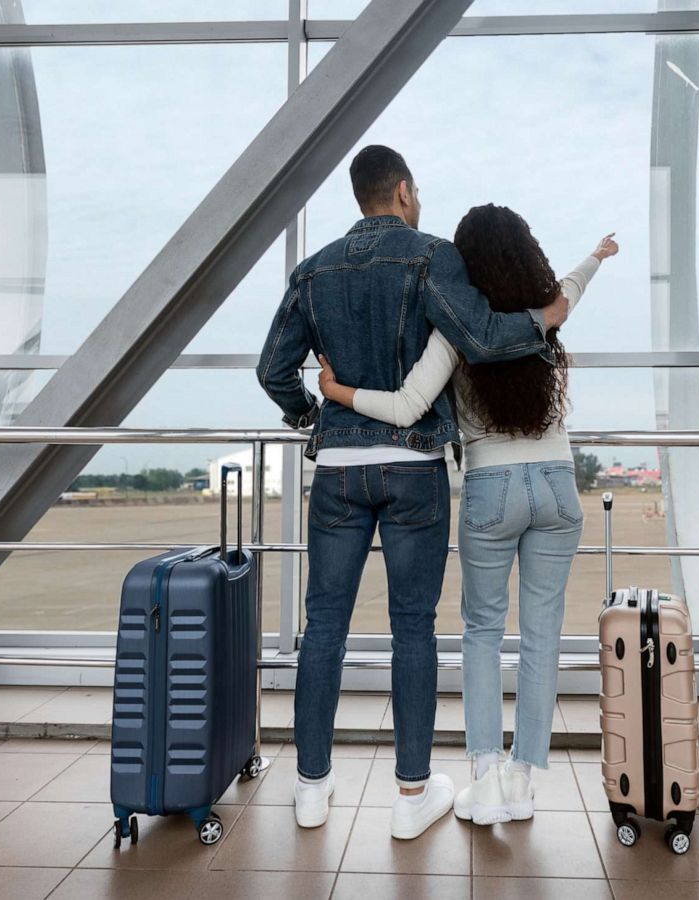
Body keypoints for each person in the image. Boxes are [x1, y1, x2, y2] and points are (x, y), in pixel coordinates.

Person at [256, 146, 569, 840]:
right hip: (413, 465)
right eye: (416, 189)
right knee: (413, 628)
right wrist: (548, 315)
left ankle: (311, 789)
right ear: (401, 191)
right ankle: (410, 795)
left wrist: (311, 414)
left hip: (337, 467)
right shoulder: (432, 257)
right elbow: (481, 338)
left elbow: (272, 369)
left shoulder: (312, 271)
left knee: (324, 627)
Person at [317, 204, 617, 826]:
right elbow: (571, 289)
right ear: (525, 253)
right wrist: (596, 255)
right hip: (559, 488)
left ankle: (484, 778)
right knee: (541, 638)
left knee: (482, 632)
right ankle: (524, 782)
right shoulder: (545, 319)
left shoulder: (456, 331)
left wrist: (338, 393)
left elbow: (406, 406)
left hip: (491, 488)